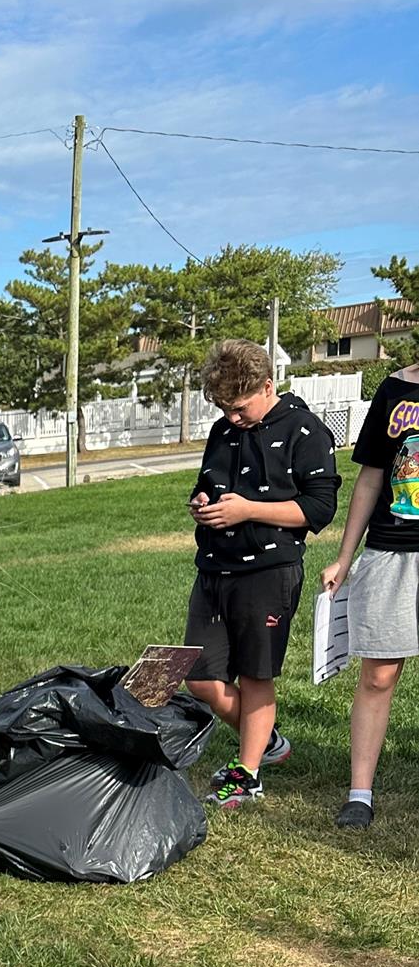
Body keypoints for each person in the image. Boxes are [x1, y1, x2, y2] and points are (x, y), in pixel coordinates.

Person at [185, 339, 340, 810]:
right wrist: (202, 504)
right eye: (222, 408)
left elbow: (320, 507)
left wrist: (249, 510)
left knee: (255, 676)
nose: (231, 417)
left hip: (269, 572)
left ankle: (247, 774)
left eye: (238, 407)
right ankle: (267, 738)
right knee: (200, 677)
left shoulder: (305, 430)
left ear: (267, 385)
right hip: (214, 568)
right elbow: (207, 484)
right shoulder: (222, 431)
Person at [321, 360, 419, 829]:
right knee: (379, 674)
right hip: (392, 548)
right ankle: (361, 792)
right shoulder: (395, 389)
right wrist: (345, 555)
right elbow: (372, 477)